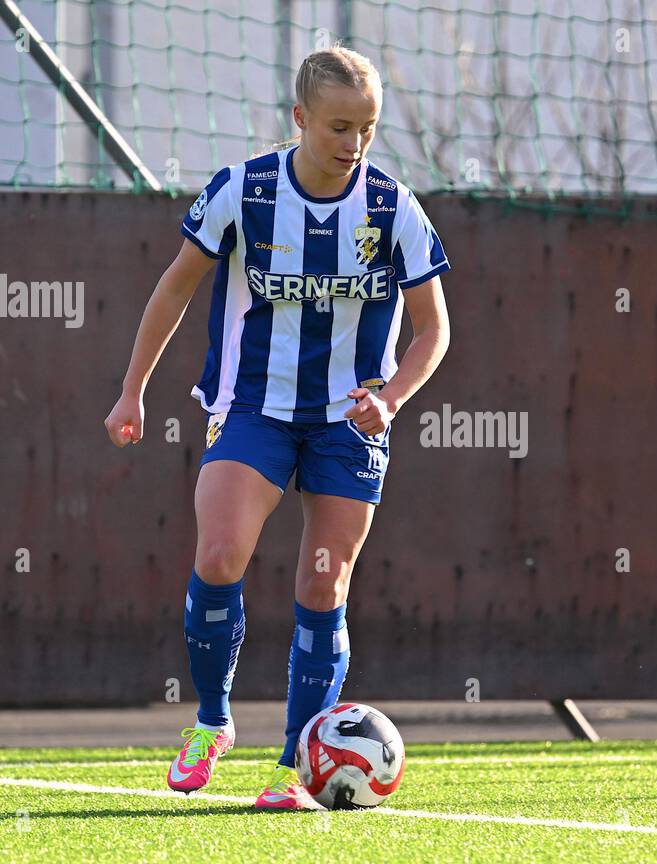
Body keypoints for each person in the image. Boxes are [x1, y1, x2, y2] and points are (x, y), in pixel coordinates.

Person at [103, 45, 451, 810]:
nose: (352, 143)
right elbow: (175, 289)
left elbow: (434, 331)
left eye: (365, 127)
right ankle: (211, 720)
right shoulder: (245, 191)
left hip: (349, 425)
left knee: (324, 584)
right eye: (336, 126)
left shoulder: (394, 208)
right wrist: (132, 392)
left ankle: (293, 769)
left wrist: (389, 398)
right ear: (300, 118)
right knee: (222, 552)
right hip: (254, 408)